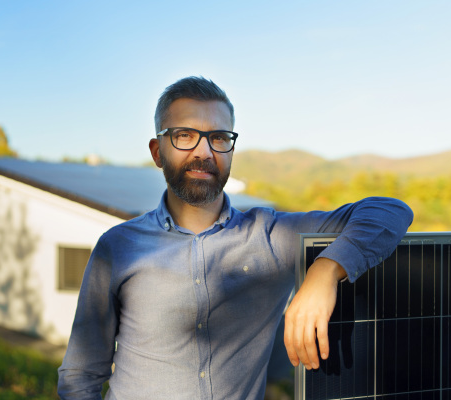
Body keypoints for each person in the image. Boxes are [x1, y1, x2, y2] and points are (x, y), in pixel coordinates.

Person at [57, 76, 413, 399]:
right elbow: (80, 376)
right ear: (157, 151)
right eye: (184, 136)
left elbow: (389, 211)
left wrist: (325, 272)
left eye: (218, 137)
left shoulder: (272, 234)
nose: (204, 152)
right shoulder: (118, 247)